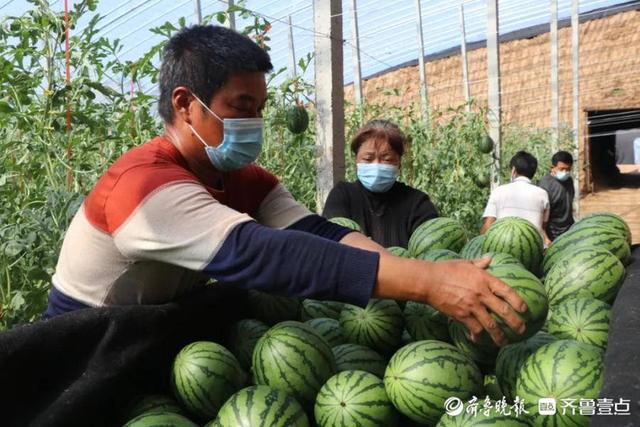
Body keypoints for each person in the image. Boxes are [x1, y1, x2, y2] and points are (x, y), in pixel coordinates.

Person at [43, 25, 527, 346]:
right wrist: (429, 283)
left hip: (150, 332)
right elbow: (263, 254)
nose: (255, 121)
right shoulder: (144, 186)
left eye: (260, 108)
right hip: (88, 346)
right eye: (241, 105)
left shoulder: (239, 177)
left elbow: (317, 233)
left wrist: (423, 272)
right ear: (186, 103)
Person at [322, 120, 438, 248]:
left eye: (387, 159)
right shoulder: (342, 196)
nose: (377, 165)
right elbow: (332, 244)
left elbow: (431, 248)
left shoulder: (417, 203)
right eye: (368, 159)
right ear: (356, 159)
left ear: (399, 162)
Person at [480, 151, 552, 246]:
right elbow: (542, 226)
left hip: (502, 246)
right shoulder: (543, 194)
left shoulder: (498, 191)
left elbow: (488, 225)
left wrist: (480, 245)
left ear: (513, 170)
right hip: (534, 249)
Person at [538, 151, 575, 241]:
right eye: (562, 169)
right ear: (552, 168)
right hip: (552, 233)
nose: (565, 172)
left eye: (568, 169)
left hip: (569, 229)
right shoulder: (545, 184)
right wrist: (545, 237)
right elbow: (541, 213)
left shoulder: (569, 181)